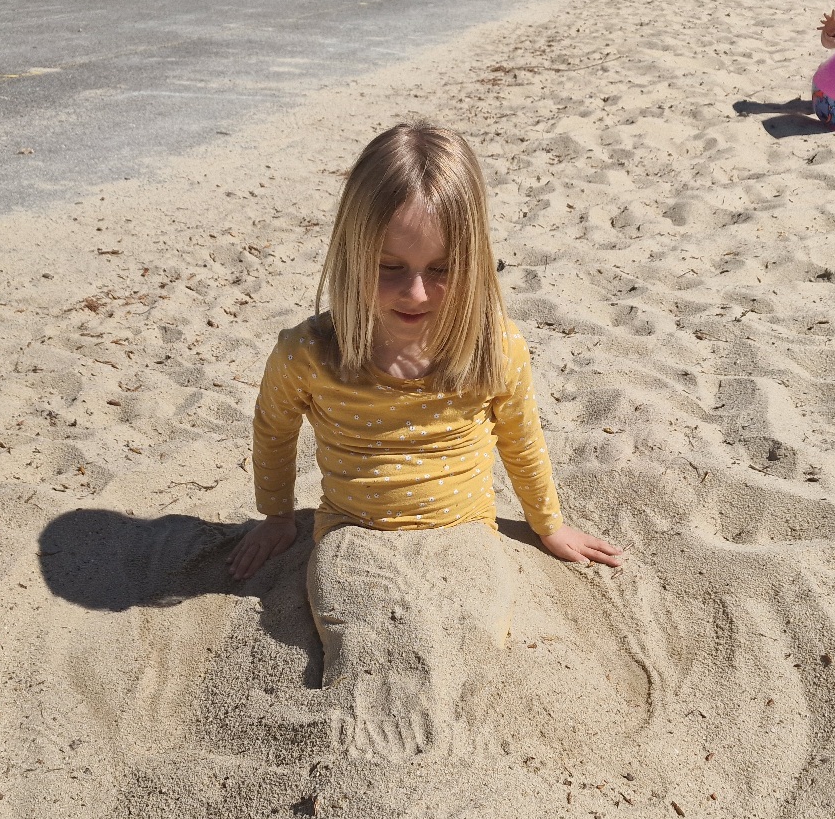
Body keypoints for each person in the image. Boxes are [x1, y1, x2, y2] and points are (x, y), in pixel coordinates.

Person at [227, 121, 622, 584]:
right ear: (351, 255)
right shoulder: (308, 353)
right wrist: (277, 516)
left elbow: (522, 438)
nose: (415, 294)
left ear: (473, 262)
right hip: (352, 532)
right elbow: (274, 429)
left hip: (466, 531)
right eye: (389, 266)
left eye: (442, 269)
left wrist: (548, 524)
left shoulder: (495, 346)